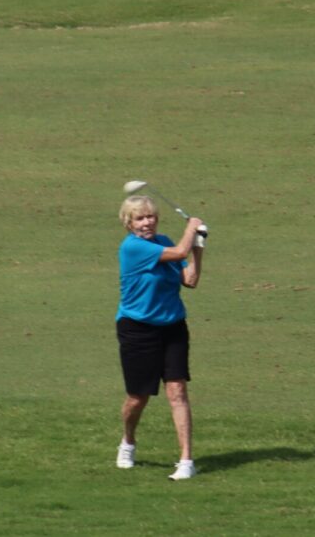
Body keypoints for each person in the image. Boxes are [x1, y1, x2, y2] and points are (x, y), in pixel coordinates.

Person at [114, 195, 205, 480]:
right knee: (138, 397)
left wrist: (199, 246)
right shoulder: (132, 247)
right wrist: (191, 227)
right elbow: (179, 252)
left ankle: (186, 461)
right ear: (129, 223)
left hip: (173, 326)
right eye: (140, 218)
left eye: (150, 216)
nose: (147, 222)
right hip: (137, 328)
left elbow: (190, 280)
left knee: (177, 391)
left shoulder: (163, 241)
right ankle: (128, 441)